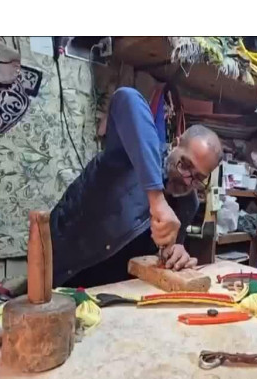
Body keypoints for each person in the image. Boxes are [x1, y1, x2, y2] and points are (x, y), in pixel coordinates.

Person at [50, 87, 222, 288]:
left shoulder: (188, 203)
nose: (186, 180)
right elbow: (127, 97)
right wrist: (157, 200)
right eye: (185, 164)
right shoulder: (132, 150)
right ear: (176, 143)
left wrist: (176, 252)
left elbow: (161, 252)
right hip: (67, 273)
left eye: (198, 178)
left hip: (117, 289)